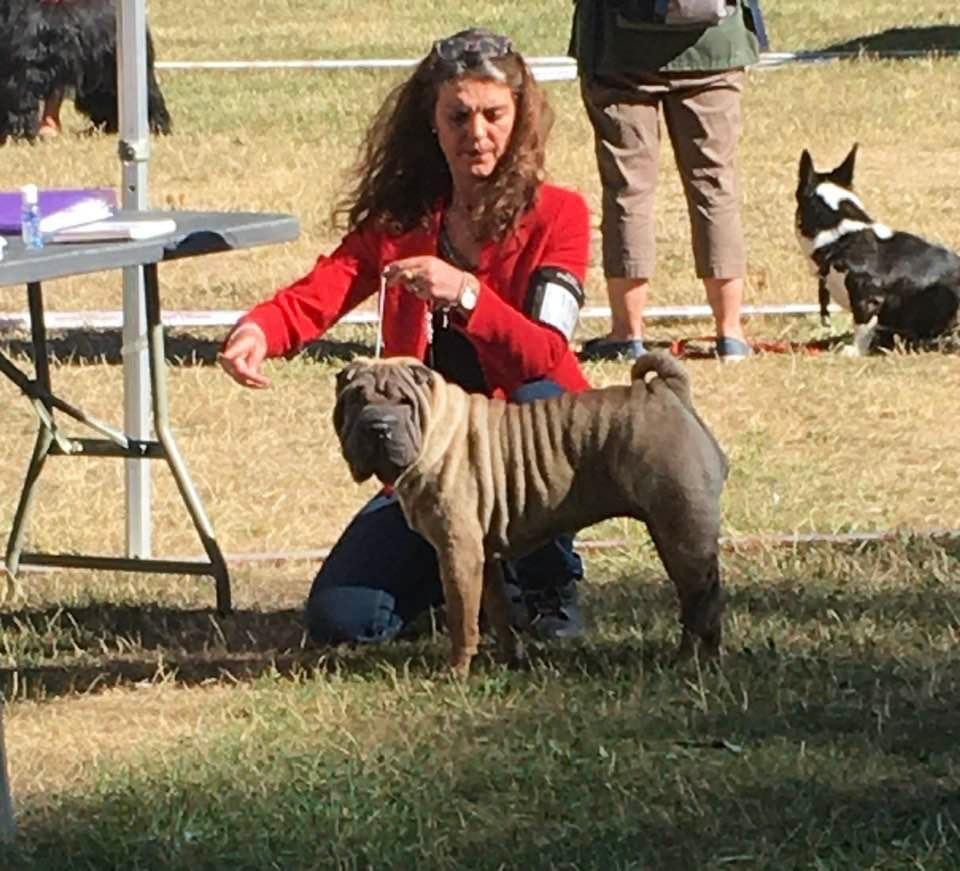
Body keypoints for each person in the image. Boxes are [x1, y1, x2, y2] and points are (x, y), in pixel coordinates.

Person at [219, 28, 593, 645]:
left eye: (494, 115)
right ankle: (459, 580)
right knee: (343, 621)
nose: (477, 133)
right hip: (428, 463)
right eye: (458, 117)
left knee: (540, 396)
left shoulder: (561, 215)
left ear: (521, 119)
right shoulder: (401, 221)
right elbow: (326, 287)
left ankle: (546, 587)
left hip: (525, 453)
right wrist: (261, 329)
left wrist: (466, 295)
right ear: (432, 124)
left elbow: (545, 355)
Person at [571, 0, 766, 362]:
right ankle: (730, 333)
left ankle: (627, 333)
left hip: (619, 46)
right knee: (715, 185)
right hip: (715, 45)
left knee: (628, 188)